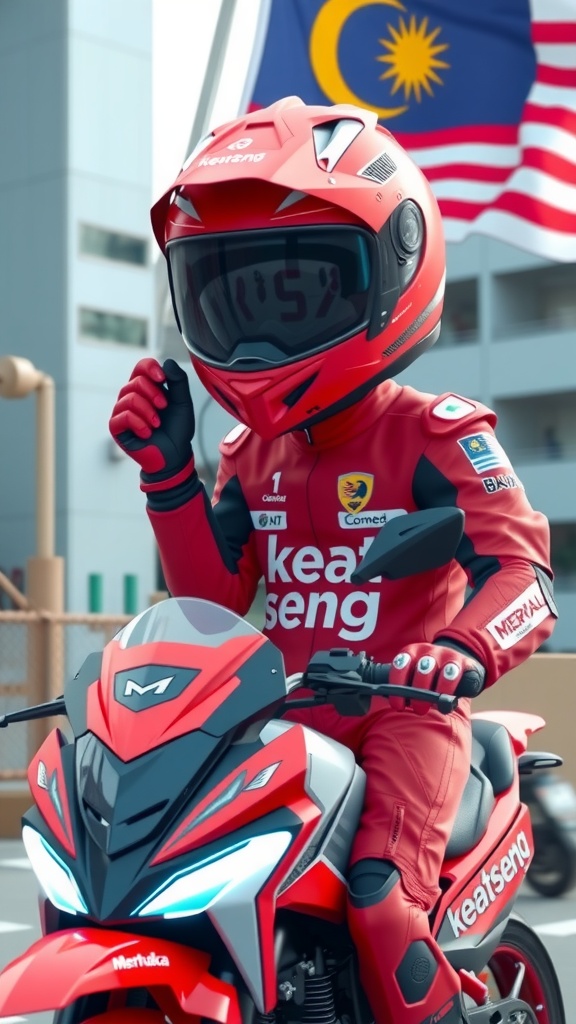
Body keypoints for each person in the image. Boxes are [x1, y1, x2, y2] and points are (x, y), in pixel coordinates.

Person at [109, 97, 556, 1024]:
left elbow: (526, 575)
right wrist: (168, 481)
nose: (262, 336)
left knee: (377, 899)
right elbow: (213, 604)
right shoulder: (246, 455)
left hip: (406, 713)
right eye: (234, 295)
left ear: (394, 266)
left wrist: (461, 652)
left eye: (297, 292)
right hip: (279, 718)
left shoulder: (437, 434)